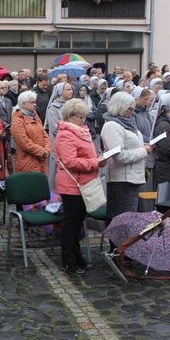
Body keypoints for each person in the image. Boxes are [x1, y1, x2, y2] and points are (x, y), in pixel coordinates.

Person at [55, 99, 107, 275]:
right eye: (80, 117)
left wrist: (97, 158)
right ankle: (69, 260)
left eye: (85, 117)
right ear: (70, 116)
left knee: (77, 223)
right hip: (72, 184)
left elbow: (85, 154)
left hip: (83, 182)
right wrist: (95, 162)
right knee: (71, 223)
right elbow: (70, 161)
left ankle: (77, 257)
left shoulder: (81, 131)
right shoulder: (65, 134)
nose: (84, 120)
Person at [101, 92, 153, 221]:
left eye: (132, 109)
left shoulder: (128, 123)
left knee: (129, 220)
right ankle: (119, 242)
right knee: (121, 220)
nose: (132, 112)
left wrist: (144, 146)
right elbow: (119, 156)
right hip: (121, 180)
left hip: (132, 177)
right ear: (120, 107)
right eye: (129, 109)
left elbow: (132, 145)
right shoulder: (111, 125)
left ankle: (125, 242)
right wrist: (143, 151)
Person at [11, 91, 51, 175]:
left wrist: (47, 149)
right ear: (23, 104)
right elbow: (24, 143)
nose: (35, 104)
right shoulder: (17, 120)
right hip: (27, 161)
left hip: (41, 160)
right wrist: (42, 152)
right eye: (32, 102)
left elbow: (45, 135)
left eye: (35, 102)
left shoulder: (35, 117)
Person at [46, 82, 74, 188]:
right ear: (60, 92)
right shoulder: (53, 108)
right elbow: (54, 129)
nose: (71, 91)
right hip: (59, 144)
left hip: (71, 144)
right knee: (55, 174)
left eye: (71, 89)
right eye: (67, 89)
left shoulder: (72, 105)